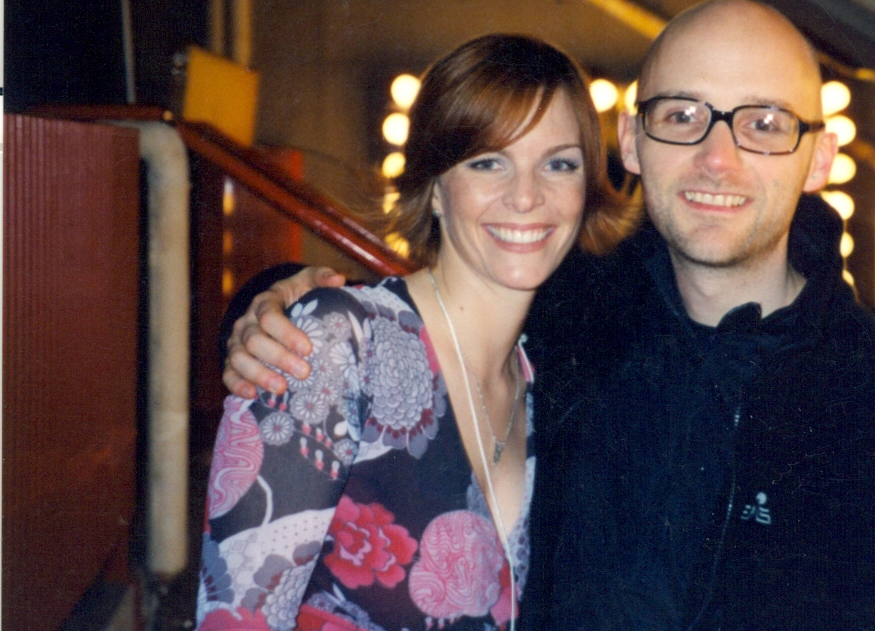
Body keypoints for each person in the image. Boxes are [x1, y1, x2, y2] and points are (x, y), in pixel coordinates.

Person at [222, 0, 875, 629]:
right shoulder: (564, 327)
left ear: (818, 158)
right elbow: (413, 320)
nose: (717, 156)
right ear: (631, 140)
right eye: (683, 115)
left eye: (763, 123)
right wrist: (274, 300)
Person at [196, 34, 633, 631]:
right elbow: (236, 616)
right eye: (487, 161)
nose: (527, 195)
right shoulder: (341, 342)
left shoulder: (545, 386)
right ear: (433, 188)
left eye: (559, 163)